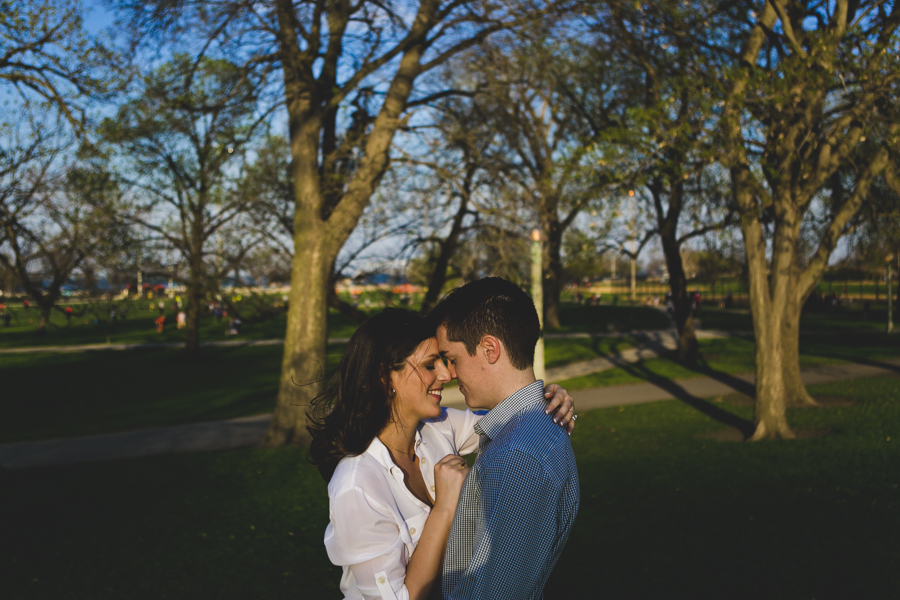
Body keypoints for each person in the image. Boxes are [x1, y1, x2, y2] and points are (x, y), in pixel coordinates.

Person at [308, 308, 576, 600]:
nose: (447, 374)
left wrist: (548, 399)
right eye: (429, 365)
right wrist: (445, 508)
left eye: (445, 362)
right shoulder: (356, 485)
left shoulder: (438, 426)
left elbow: (511, 422)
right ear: (385, 377)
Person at [430, 277, 580, 600]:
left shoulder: (518, 455)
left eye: (453, 359)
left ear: (489, 349)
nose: (450, 374)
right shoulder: (536, 427)